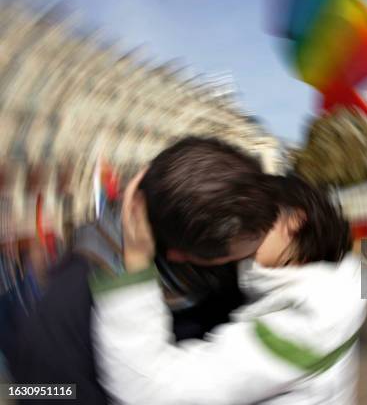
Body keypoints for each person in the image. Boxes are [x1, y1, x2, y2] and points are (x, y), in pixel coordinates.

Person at [8, 137, 280, 404]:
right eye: (247, 250)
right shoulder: (61, 313)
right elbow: (33, 391)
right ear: (183, 255)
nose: (262, 252)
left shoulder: (225, 276)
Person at [92, 174, 367, 404]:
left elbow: (151, 390)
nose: (239, 229)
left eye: (255, 219)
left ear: (294, 222)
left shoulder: (305, 320)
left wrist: (136, 264)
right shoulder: (328, 284)